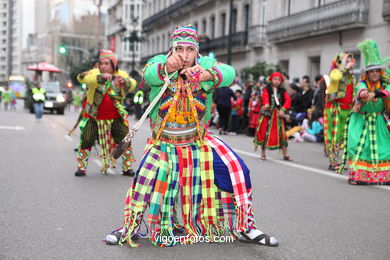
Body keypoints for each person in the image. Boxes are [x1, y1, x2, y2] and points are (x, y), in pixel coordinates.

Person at [107, 25, 278, 247]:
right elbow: (149, 74)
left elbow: (229, 73)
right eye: (179, 48)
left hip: (198, 143)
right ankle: (129, 228)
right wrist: (167, 67)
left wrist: (205, 74)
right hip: (164, 144)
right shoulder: (159, 62)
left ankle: (246, 227)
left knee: (237, 170)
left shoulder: (204, 64)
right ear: (171, 49)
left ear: (197, 51)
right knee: (143, 184)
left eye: (190, 49)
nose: (184, 55)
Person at [74, 50, 137, 177]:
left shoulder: (121, 74)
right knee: (86, 139)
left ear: (113, 65)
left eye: (106, 63)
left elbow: (133, 83)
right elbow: (83, 78)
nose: (103, 66)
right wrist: (100, 78)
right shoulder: (95, 73)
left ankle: (127, 168)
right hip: (93, 116)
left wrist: (125, 82)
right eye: (101, 63)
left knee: (125, 141)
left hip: (116, 117)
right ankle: (81, 168)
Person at [338, 39, 390, 185]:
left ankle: (384, 176)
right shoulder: (362, 84)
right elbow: (360, 91)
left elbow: (388, 92)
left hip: (378, 121)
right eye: (371, 71)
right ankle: (357, 176)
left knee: (385, 148)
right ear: (367, 73)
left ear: (380, 72)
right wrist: (365, 93)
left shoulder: (385, 84)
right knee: (359, 147)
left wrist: (377, 94)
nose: (374, 74)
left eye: (376, 71)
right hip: (361, 120)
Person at [323, 52, 356, 171]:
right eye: (347, 61)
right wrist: (344, 69)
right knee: (334, 137)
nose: (351, 63)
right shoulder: (335, 71)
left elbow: (352, 90)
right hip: (335, 108)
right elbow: (335, 78)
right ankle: (333, 162)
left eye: (351, 61)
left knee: (342, 137)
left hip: (347, 109)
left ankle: (337, 160)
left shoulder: (351, 77)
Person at [254, 72, 292, 161]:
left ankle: (285, 154)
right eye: (275, 79)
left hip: (278, 116)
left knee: (282, 134)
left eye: (279, 80)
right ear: (271, 80)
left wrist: (283, 109)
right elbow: (265, 98)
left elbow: (288, 100)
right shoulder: (266, 90)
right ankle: (263, 154)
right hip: (268, 115)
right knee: (264, 133)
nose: (277, 81)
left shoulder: (282, 91)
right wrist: (266, 104)